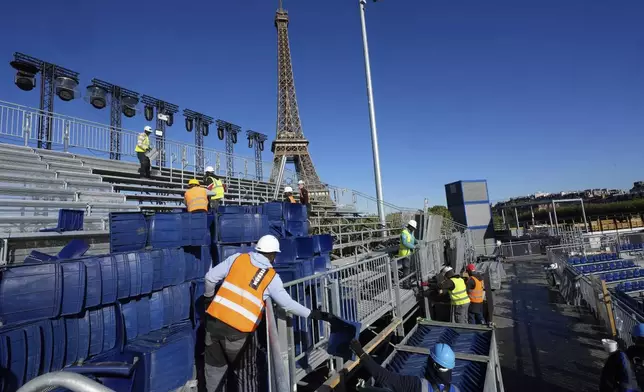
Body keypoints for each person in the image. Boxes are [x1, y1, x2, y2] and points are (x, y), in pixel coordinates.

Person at [203, 235, 328, 391]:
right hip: (238, 334)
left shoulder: (237, 258)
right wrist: (311, 314)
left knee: (214, 374)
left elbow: (209, 278)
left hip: (213, 324)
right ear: (274, 255)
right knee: (245, 378)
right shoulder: (271, 278)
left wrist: (208, 299)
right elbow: (287, 304)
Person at [348, 340, 461, 392]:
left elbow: (382, 376)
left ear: (433, 365)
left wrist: (360, 352)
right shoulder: (456, 390)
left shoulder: (416, 385)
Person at [398, 220, 418, 286]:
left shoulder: (410, 232)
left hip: (409, 253)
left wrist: (417, 243)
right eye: (413, 228)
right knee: (406, 269)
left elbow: (414, 240)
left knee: (410, 269)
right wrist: (414, 247)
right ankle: (405, 284)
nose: (414, 229)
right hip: (404, 254)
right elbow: (405, 242)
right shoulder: (404, 232)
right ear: (410, 226)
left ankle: (409, 283)